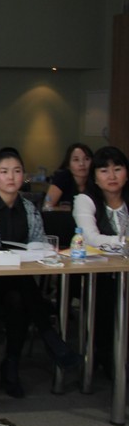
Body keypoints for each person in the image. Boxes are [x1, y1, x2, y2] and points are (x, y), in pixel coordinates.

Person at [0, 147, 81, 397]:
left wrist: (31, 253)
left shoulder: (29, 208)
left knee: (18, 297)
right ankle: (49, 339)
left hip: (20, 285)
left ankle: (11, 366)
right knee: (20, 291)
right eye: (4, 171)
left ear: (23, 176)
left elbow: (39, 245)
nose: (11, 177)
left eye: (17, 171)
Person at [73, 146, 129, 376]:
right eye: (104, 170)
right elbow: (91, 239)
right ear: (95, 177)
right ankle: (105, 355)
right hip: (97, 274)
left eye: (118, 169)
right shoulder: (85, 200)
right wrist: (125, 242)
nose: (112, 176)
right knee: (108, 294)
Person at [44, 142, 93, 208]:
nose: (82, 164)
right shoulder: (62, 178)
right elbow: (47, 206)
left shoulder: (96, 179)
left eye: (86, 159)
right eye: (76, 160)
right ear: (68, 165)